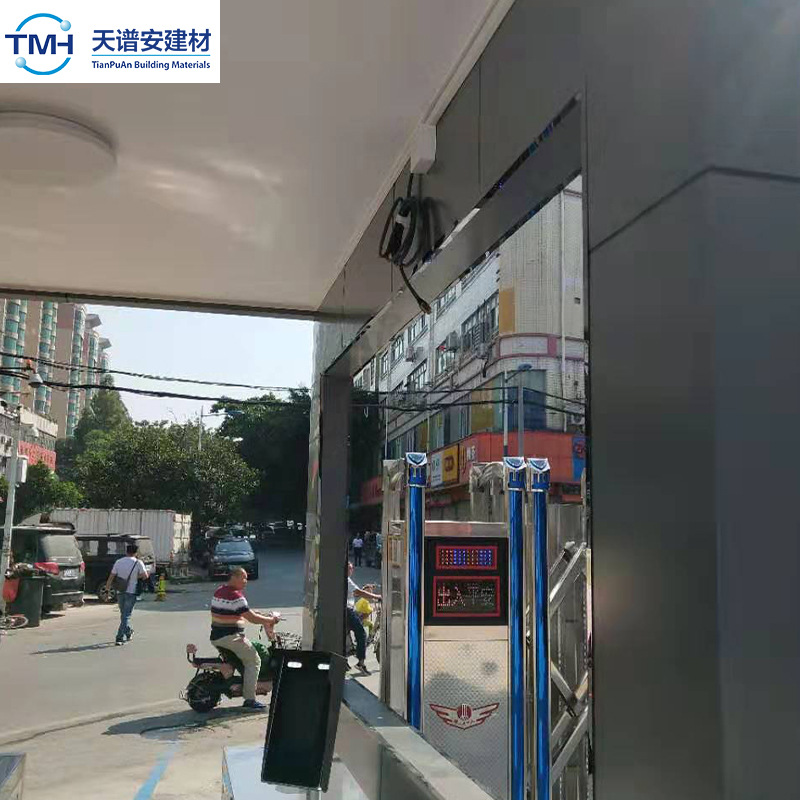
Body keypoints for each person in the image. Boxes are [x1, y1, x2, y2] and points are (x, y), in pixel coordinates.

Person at [210, 566, 279, 711]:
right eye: (244, 578)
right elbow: (252, 618)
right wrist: (270, 620)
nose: (246, 581)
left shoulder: (220, 591)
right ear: (234, 577)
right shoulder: (236, 596)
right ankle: (250, 699)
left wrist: (258, 614)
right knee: (254, 660)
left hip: (217, 636)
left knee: (249, 653)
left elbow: (243, 612)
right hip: (230, 637)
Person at [106, 543, 149, 646]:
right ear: (136, 552)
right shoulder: (138, 562)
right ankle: (119, 638)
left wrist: (107, 589)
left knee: (124, 615)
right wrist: (135, 576)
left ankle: (128, 632)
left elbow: (111, 576)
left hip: (120, 591)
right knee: (126, 616)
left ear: (126, 551)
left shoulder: (119, 562)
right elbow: (145, 576)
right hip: (131, 591)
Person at [347, 561, 380, 673]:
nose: (351, 570)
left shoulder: (346, 579)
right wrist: (376, 596)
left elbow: (356, 592)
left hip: (348, 610)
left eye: (351, 568)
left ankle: (346, 658)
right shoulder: (346, 580)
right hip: (348, 610)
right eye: (349, 568)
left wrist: (366, 589)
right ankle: (360, 663)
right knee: (361, 634)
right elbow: (358, 592)